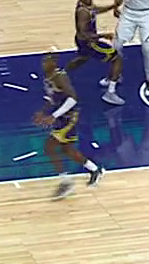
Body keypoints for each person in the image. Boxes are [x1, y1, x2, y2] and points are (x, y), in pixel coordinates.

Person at [34, 53, 105, 199]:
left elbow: (73, 99)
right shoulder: (48, 77)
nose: (44, 64)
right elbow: (51, 97)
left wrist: (54, 115)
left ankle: (66, 182)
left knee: (49, 147)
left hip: (68, 118)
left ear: (54, 63)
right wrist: (43, 111)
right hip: (61, 117)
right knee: (67, 149)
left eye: (47, 61)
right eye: (43, 61)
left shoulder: (60, 77)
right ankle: (94, 169)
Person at [65, 0, 126, 105]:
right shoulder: (82, 12)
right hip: (89, 42)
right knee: (117, 58)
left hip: (83, 41)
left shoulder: (86, 5)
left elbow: (96, 9)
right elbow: (83, 33)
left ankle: (60, 75)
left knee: (82, 58)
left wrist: (113, 6)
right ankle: (110, 92)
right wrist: (103, 35)